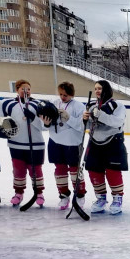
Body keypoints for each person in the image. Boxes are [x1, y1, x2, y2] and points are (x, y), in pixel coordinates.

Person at [83, 80, 127, 215]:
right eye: (95, 88)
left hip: (113, 142)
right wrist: (84, 119)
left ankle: (117, 198)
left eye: (100, 88)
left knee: (113, 171)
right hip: (95, 142)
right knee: (93, 170)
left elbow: (117, 122)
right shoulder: (90, 105)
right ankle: (100, 198)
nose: (97, 91)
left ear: (106, 89)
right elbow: (87, 126)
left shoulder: (117, 105)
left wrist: (101, 115)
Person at [0, 79, 45, 207]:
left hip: (36, 144)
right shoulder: (8, 104)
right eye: (23, 89)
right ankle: (18, 193)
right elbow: (0, 120)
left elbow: (45, 126)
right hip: (16, 144)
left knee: (35, 170)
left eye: (28, 89)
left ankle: (39, 193)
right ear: (17, 90)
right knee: (18, 170)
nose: (26, 91)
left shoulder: (39, 104)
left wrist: (33, 117)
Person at [46, 81, 87, 210]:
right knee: (59, 170)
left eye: (66, 95)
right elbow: (45, 123)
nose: (63, 97)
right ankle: (64, 195)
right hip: (55, 141)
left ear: (72, 95)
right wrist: (46, 123)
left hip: (72, 143)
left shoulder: (79, 106)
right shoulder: (54, 103)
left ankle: (80, 195)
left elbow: (82, 126)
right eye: (61, 94)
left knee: (75, 170)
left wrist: (69, 118)